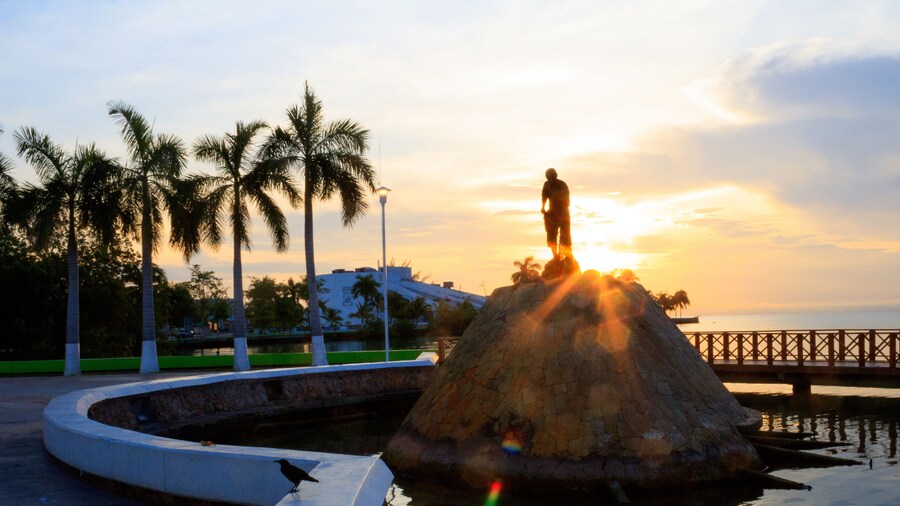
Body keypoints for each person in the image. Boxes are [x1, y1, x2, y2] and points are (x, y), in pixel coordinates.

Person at [541, 168, 571, 260]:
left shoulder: (562, 184)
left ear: (555, 175)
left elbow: (566, 200)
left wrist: (561, 210)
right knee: (551, 234)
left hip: (563, 212)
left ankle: (567, 256)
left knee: (565, 234)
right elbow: (544, 196)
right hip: (552, 211)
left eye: (552, 176)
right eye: (549, 177)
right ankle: (555, 256)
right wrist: (543, 207)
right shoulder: (547, 184)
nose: (551, 178)